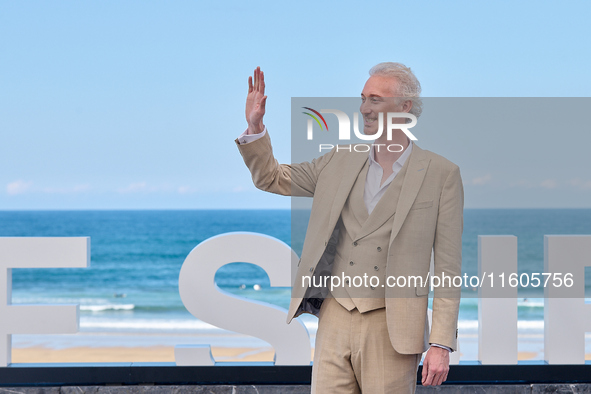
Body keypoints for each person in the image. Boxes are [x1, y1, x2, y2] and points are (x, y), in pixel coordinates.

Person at [235, 63, 463, 393]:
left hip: (393, 327)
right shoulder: (338, 161)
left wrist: (441, 343)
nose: (365, 109)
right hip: (335, 317)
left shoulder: (442, 174)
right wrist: (255, 126)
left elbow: (447, 268)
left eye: (375, 99)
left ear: (404, 107)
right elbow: (271, 178)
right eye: (363, 99)